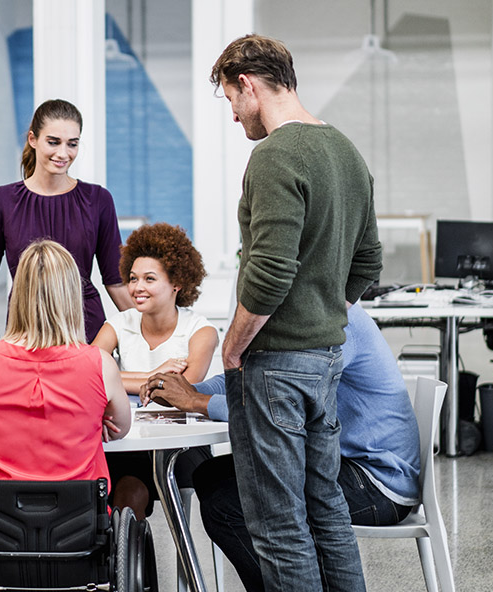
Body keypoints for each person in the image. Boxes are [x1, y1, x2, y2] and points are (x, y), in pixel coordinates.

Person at [211, 35, 382, 590]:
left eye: (231, 102)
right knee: (325, 507)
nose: (235, 117)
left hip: (277, 365)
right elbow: (369, 260)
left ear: (248, 84)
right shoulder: (345, 151)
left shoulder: (274, 156)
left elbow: (268, 272)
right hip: (325, 358)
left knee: (279, 523)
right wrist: (326, 307)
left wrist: (232, 346)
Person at [143, 303, 420, 592]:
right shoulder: (304, 315)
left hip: (376, 482)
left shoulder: (336, 323)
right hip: (342, 462)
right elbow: (249, 380)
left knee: (227, 505)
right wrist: (186, 390)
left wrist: (195, 402)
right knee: (210, 474)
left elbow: (282, 407)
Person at [0, 240, 131, 485]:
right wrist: (91, 419)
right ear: (72, 296)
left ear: (18, 293)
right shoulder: (101, 364)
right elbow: (119, 429)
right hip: (81, 515)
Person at [0, 99, 133, 342]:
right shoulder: (1, 201)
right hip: (26, 329)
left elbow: (116, 283)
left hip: (85, 329)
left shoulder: (98, 199)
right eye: (53, 142)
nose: (63, 153)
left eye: (72, 144)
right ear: (33, 139)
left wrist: (148, 333)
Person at [92, 222, 218, 519]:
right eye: (133, 279)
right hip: (130, 438)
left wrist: (119, 381)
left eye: (149, 279)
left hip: (183, 443)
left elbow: (182, 391)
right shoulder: (119, 324)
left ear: (176, 283)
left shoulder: (200, 331)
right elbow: (89, 372)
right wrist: (156, 376)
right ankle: (122, 560)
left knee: (133, 483)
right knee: (126, 490)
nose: (137, 288)